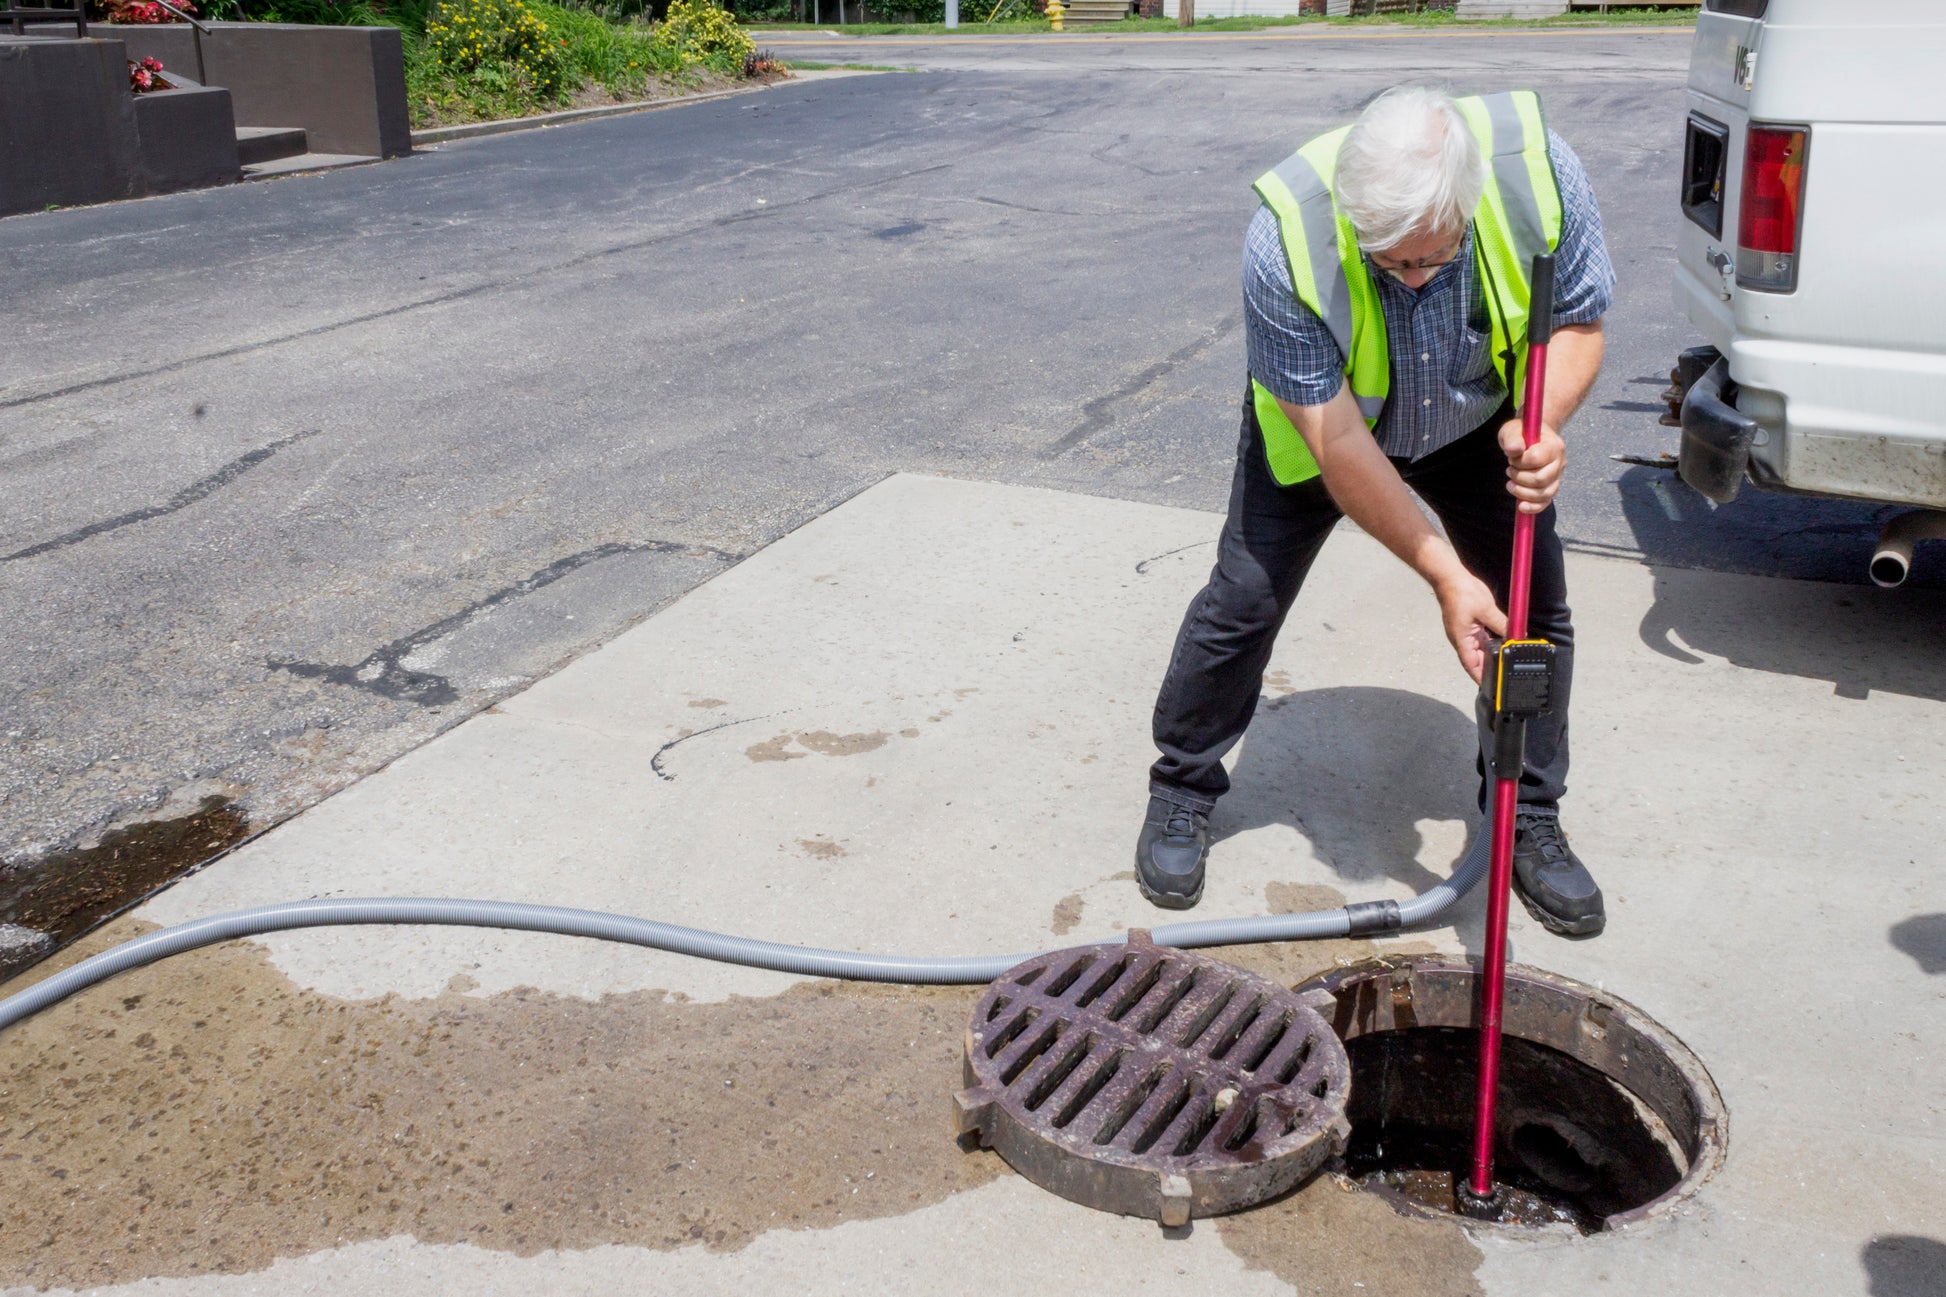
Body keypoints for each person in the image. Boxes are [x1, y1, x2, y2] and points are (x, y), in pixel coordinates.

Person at [1136, 86, 1615, 937]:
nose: (1416, 278)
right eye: (1390, 262)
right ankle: (1181, 785)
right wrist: (1441, 572)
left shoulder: (1538, 177)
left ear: (1465, 205)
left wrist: (1541, 424)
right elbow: (1342, 447)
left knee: (1532, 608)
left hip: (1476, 418)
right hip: (1335, 424)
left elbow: (1579, 321)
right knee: (1243, 599)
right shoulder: (1284, 240)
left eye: (1434, 257)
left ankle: (1527, 812)